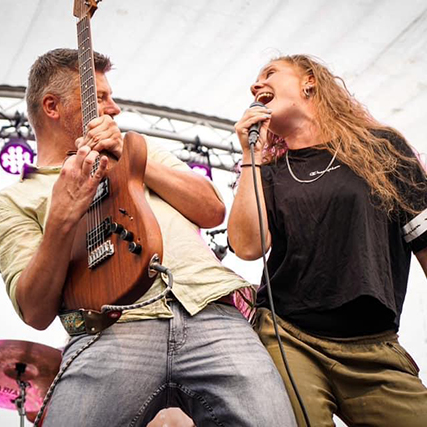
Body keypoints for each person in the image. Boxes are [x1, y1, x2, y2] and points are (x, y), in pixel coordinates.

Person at [0, 48, 297, 426]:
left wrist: (127, 154)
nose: (113, 109)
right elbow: (35, 310)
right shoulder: (13, 200)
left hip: (210, 310)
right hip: (110, 329)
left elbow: (211, 209)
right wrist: (60, 216)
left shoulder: (142, 149)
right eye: (100, 98)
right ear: (52, 106)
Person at [228, 54, 427, 426]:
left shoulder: (383, 149)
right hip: (290, 336)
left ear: (309, 82)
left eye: (269, 74)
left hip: (375, 346)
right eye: (254, 81)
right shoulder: (269, 172)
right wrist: (250, 157)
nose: (256, 86)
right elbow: (247, 246)